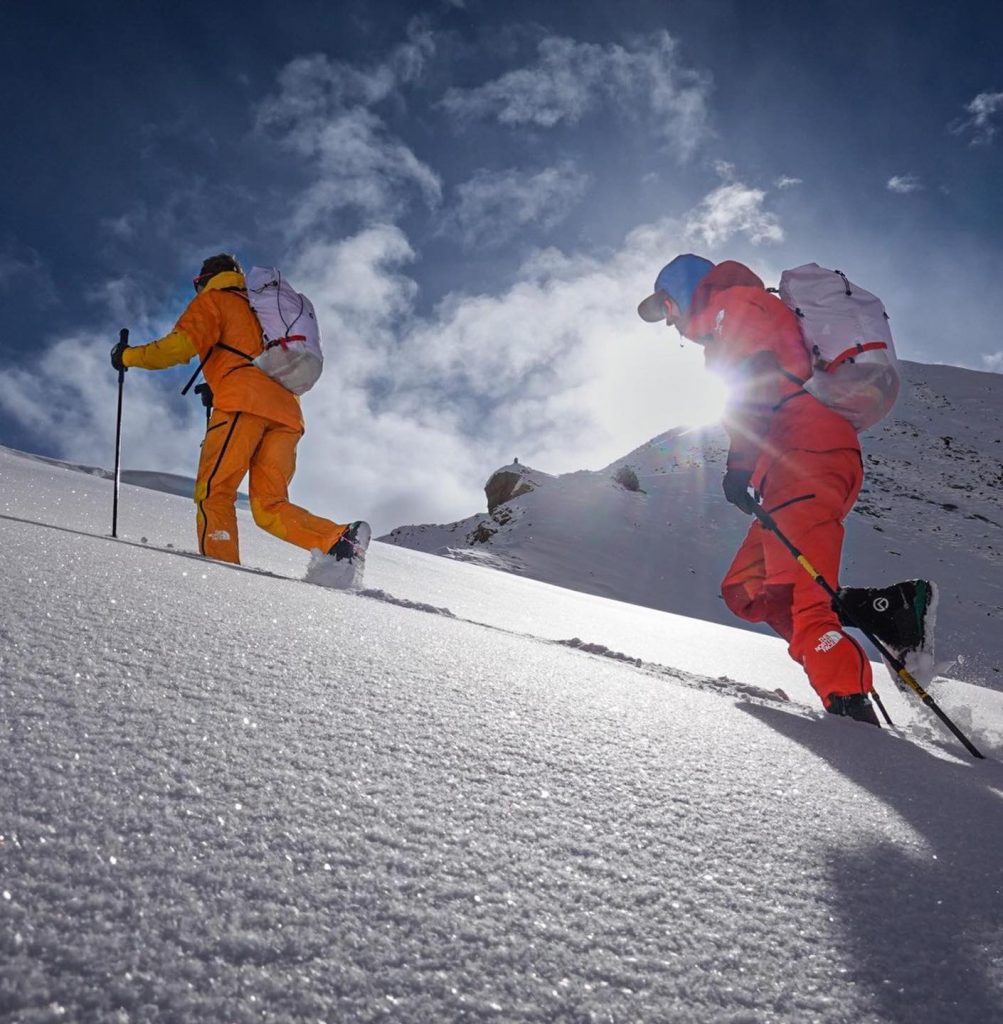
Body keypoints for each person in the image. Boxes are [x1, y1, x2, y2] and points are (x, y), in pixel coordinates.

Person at [637, 254, 933, 726]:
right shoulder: (728, 320)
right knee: (749, 590)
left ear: (688, 289)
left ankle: (849, 709)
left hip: (806, 459)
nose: (669, 321)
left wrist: (740, 464)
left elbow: (762, 374)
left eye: (668, 306)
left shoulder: (736, 305)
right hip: (794, 467)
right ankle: (887, 610)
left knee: (806, 602)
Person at [110, 253, 369, 585]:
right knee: (269, 506)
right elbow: (254, 358)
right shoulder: (262, 308)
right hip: (287, 414)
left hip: (242, 406)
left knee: (213, 493)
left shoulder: (216, 301)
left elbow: (177, 348)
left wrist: (127, 356)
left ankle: (222, 580)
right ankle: (338, 541)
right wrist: (220, 387)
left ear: (203, 280)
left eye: (197, 285)